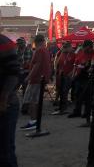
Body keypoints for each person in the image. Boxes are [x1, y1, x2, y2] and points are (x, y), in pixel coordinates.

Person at [21, 34, 52, 130]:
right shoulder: (45, 50)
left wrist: (29, 77)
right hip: (41, 79)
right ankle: (35, 121)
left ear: (35, 42)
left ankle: (33, 121)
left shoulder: (39, 50)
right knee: (36, 100)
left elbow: (37, 65)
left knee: (32, 100)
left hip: (36, 79)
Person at [0, 25, 20, 167]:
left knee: (4, 151)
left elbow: (14, 74)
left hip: (5, 105)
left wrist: (4, 98)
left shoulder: (5, 43)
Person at [69, 39, 94, 120]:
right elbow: (76, 64)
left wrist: (87, 65)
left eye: (85, 47)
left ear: (89, 47)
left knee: (88, 96)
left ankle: (87, 113)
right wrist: (73, 74)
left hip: (87, 77)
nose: (83, 48)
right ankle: (77, 111)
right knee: (77, 94)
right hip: (79, 76)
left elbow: (92, 64)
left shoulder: (93, 53)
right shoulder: (80, 52)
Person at [52, 42, 76, 115]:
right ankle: (61, 107)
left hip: (68, 75)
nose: (64, 49)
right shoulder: (62, 53)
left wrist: (72, 73)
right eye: (63, 48)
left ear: (69, 47)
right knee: (61, 91)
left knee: (65, 92)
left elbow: (76, 65)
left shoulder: (74, 54)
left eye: (65, 48)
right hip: (61, 74)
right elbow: (58, 63)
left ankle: (63, 108)